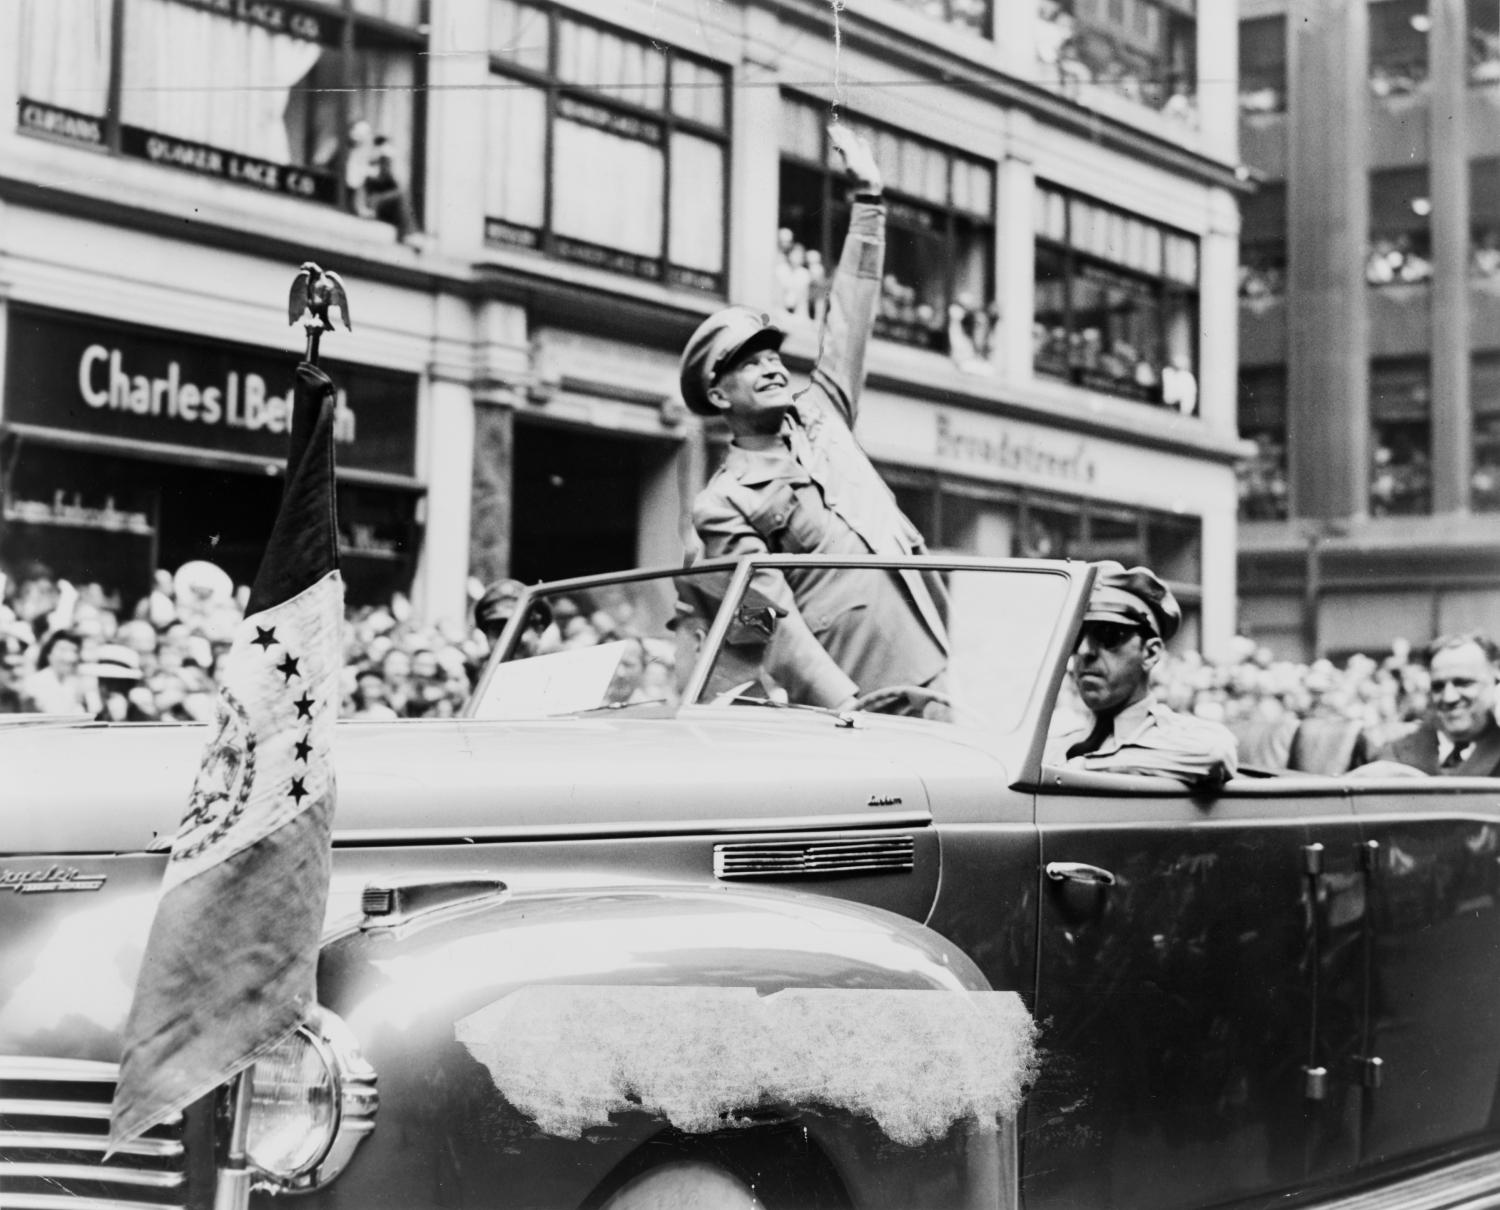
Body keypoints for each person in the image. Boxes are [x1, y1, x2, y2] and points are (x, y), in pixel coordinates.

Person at [679, 124, 949, 716]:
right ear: (719, 397)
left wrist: (870, 201)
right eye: (750, 365)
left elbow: (850, 314)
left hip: (934, 651)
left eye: (774, 356)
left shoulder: (823, 414)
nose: (773, 368)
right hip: (862, 696)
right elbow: (765, 619)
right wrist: (848, 705)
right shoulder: (722, 505)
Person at [1046, 562, 1239, 788]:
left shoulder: (1184, 738)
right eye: (1076, 638)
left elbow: (1215, 753)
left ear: (1150, 653)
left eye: (1108, 635)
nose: (1084, 651)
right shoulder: (1058, 744)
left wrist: (1087, 768)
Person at [1359, 633, 1500, 776]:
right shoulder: (1394, 754)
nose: (1449, 697)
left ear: (1495, 678)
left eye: (1463, 683)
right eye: (1438, 686)